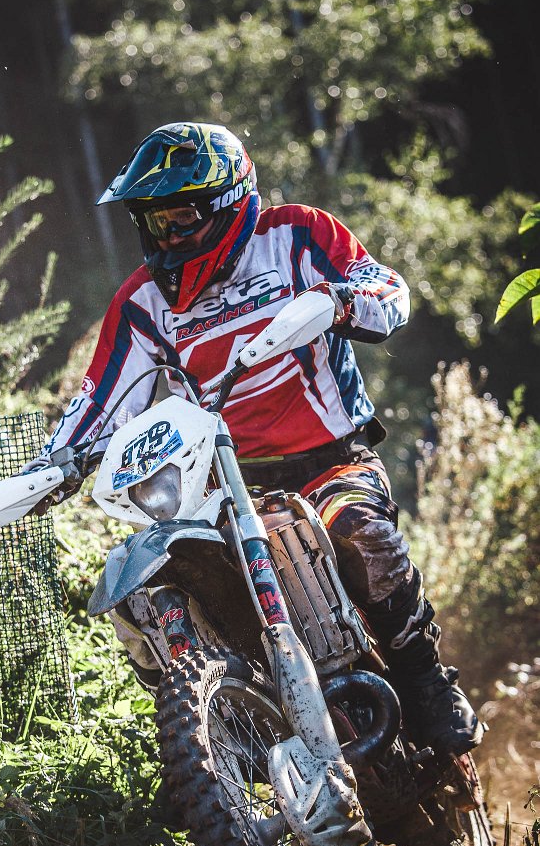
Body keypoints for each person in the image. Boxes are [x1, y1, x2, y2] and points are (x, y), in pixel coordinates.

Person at [26, 121, 482, 759]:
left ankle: (427, 682)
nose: (167, 235)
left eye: (181, 217)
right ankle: (208, 747)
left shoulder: (296, 235)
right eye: (154, 220)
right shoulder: (143, 302)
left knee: (357, 530)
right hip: (221, 486)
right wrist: (50, 469)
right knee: (142, 588)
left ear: (227, 203)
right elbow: (100, 398)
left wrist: (342, 302)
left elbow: (388, 289)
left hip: (330, 463)